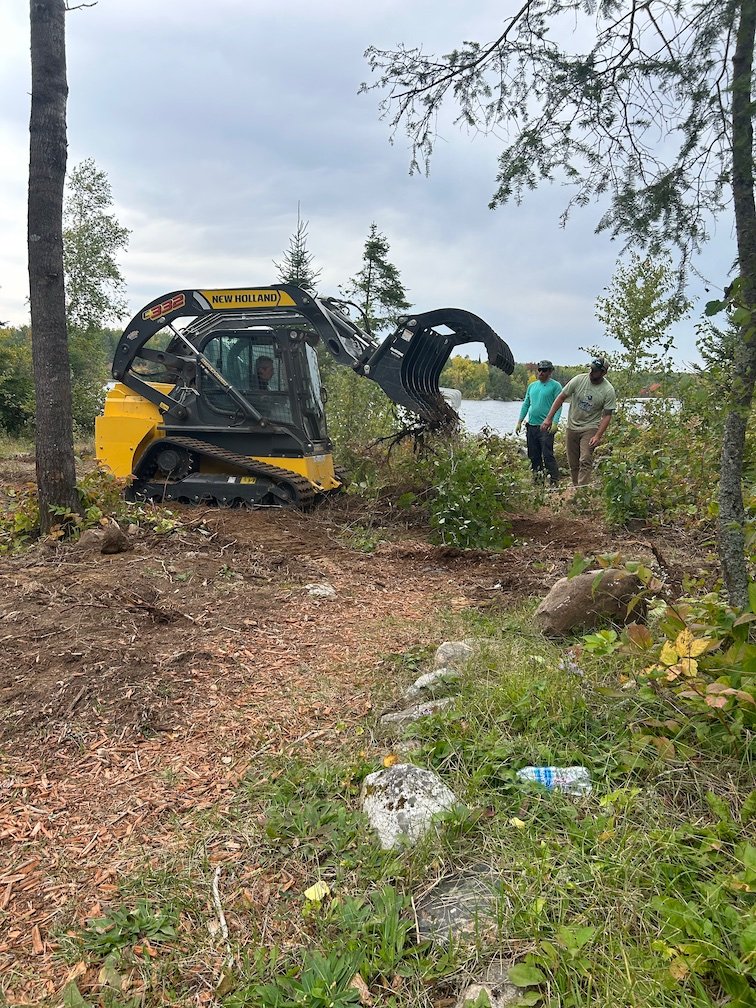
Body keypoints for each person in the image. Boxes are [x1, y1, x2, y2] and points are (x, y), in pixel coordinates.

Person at [541, 357, 617, 488]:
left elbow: (607, 415)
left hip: (590, 427)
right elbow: (561, 398)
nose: (592, 372)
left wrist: (598, 435)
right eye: (591, 369)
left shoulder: (608, 390)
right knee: (573, 462)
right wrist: (549, 418)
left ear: (603, 372)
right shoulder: (579, 380)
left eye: (596, 370)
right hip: (572, 426)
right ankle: (577, 488)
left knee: (585, 459)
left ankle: (582, 490)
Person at [515, 360, 562, 485]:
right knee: (533, 455)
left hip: (546, 427)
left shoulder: (555, 386)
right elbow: (526, 404)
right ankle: (538, 480)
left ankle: (554, 481)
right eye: (539, 369)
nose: (541, 372)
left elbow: (559, 405)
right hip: (532, 426)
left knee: (547, 455)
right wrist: (519, 421)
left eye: (544, 370)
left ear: (550, 372)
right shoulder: (532, 386)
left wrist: (555, 423)